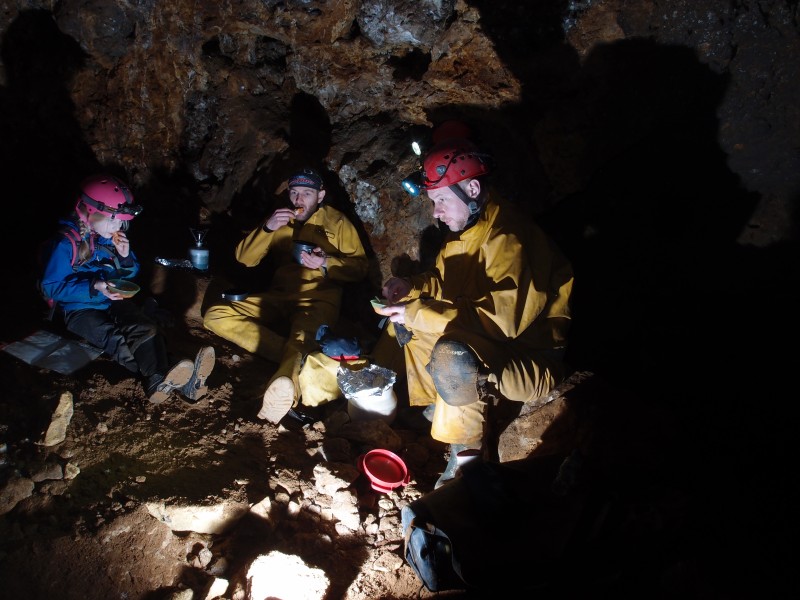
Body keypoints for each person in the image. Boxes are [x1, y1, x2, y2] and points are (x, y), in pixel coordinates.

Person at [374, 136, 574, 488]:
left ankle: (466, 459)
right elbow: (442, 282)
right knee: (406, 326)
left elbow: (503, 321)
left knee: (452, 352)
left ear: (473, 188)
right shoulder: (463, 232)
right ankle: (439, 405)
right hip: (492, 345)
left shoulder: (510, 237)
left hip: (528, 360)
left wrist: (419, 312)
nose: (435, 212)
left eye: (440, 201)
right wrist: (412, 288)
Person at [203, 168, 369, 423]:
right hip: (279, 296)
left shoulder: (337, 223)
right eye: (294, 193)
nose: (299, 200)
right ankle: (295, 357)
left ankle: (284, 395)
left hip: (318, 299)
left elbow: (359, 268)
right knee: (215, 315)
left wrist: (326, 264)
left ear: (320, 195)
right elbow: (244, 259)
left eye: (306, 193)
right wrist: (268, 228)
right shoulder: (281, 219)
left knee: (301, 337)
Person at [39, 173, 216, 404]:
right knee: (114, 339)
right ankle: (175, 379)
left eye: (122, 221)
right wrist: (95, 285)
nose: (118, 226)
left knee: (144, 328)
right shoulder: (66, 243)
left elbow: (129, 275)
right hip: (77, 310)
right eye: (113, 220)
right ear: (89, 212)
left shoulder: (106, 239)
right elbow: (51, 287)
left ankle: (166, 380)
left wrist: (124, 258)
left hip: (110, 299)